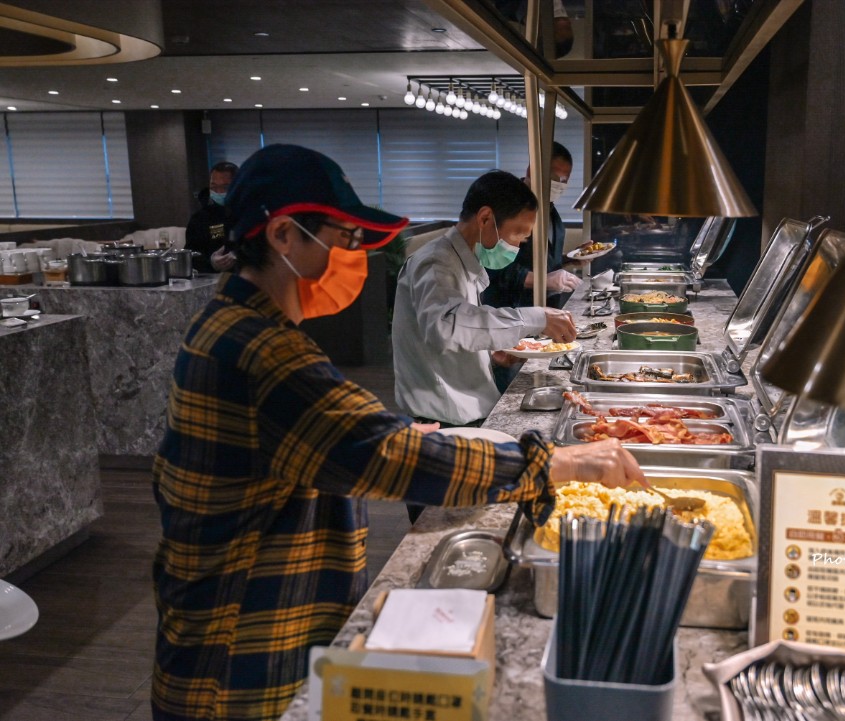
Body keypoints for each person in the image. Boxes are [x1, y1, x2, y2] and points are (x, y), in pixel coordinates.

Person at [151, 145, 643, 721]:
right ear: (284, 236)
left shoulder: (234, 325)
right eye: (345, 237)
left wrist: (391, 431)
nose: (354, 257)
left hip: (243, 619)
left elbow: (332, 437)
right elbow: (382, 456)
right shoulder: (259, 349)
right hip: (237, 657)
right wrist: (556, 463)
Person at [392, 170, 578, 428]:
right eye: (518, 233)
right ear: (486, 218)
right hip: (442, 419)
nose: (519, 245)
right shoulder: (436, 262)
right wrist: (537, 318)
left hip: (468, 404)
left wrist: (489, 352)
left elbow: (461, 328)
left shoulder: (464, 259)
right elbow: (446, 326)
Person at [481, 141, 581, 311]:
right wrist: (543, 281)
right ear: (531, 171)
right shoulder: (508, 206)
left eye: (564, 181)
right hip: (510, 310)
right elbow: (492, 266)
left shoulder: (550, 210)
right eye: (555, 179)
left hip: (546, 308)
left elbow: (541, 260)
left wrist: (569, 259)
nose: (559, 185)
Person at [185, 160, 239, 273]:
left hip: (247, 279)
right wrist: (211, 263)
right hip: (212, 281)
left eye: (225, 187)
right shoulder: (200, 218)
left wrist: (240, 256)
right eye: (214, 186)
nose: (218, 192)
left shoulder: (251, 213)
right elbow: (190, 256)